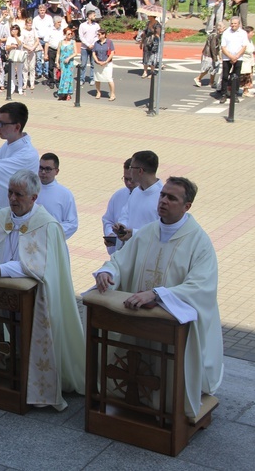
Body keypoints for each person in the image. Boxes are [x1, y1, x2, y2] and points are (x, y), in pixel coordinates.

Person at [94, 177, 224, 419]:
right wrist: (107, 272)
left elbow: (201, 286)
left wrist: (157, 294)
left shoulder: (199, 242)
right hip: (140, 321)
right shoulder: (148, 232)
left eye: (171, 198)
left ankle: (166, 406)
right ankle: (134, 399)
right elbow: (122, 261)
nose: (163, 201)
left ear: (187, 206)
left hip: (173, 327)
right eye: (162, 195)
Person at [0, 169, 85, 411]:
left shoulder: (47, 225)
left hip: (34, 295)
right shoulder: (0, 217)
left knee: (29, 337)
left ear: (34, 198)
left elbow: (39, 267)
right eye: (10, 192)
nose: (12, 199)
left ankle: (34, 381)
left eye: (19, 194)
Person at [113, 150, 162, 246]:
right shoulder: (136, 191)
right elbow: (126, 214)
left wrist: (134, 234)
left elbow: (162, 230)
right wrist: (122, 226)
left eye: (131, 167)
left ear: (140, 171)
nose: (129, 171)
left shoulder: (162, 197)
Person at [35, 153, 78, 240]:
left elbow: (72, 223)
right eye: (41, 168)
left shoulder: (65, 194)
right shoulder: (29, 188)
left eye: (48, 169)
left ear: (57, 171)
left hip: (52, 242)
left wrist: (50, 232)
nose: (43, 172)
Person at [102, 158, 137, 255]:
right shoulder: (118, 195)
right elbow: (108, 220)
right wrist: (111, 234)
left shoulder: (153, 198)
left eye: (132, 180)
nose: (129, 183)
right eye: (126, 179)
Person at [219, 16, 248, 104]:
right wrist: (230, 56)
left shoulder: (243, 33)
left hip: (238, 58)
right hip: (227, 57)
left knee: (236, 77)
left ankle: (234, 94)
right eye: (232, 23)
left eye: (235, 23)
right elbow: (223, 46)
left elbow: (244, 46)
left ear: (238, 24)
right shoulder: (226, 32)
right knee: (225, 76)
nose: (233, 25)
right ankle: (223, 94)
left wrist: (236, 56)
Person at [193, 21, 227, 88]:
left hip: (212, 54)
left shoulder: (218, 34)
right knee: (207, 68)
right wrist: (215, 58)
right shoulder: (214, 35)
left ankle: (211, 82)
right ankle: (198, 78)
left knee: (214, 68)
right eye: (223, 28)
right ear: (219, 28)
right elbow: (213, 47)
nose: (224, 29)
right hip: (209, 55)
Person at [92, 29, 116, 100]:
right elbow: (93, 53)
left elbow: (112, 52)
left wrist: (106, 61)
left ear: (104, 35)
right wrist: (97, 61)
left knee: (109, 78)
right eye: (97, 34)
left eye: (99, 34)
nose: (98, 36)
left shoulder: (109, 42)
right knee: (97, 78)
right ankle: (98, 92)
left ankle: (112, 94)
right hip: (98, 63)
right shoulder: (96, 43)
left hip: (107, 63)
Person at [57, 27, 77, 100]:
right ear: (65, 34)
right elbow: (58, 53)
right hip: (62, 62)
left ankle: (68, 93)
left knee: (68, 77)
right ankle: (62, 92)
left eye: (71, 34)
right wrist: (57, 62)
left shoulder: (73, 42)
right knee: (62, 77)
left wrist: (69, 58)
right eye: (68, 34)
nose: (70, 35)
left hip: (69, 62)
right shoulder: (61, 42)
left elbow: (75, 53)